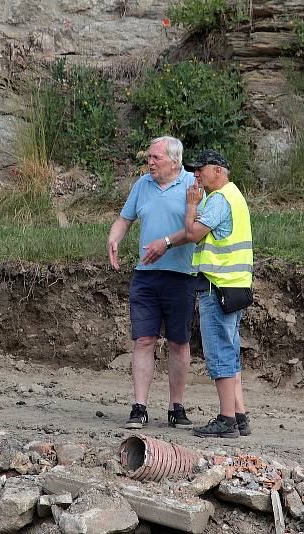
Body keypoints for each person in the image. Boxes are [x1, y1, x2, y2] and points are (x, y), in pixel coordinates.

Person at [107, 136, 199, 430]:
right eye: (149, 157)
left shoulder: (192, 186)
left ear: (174, 160)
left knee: (178, 342)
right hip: (145, 275)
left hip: (181, 276)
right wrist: (114, 238)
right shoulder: (142, 185)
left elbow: (197, 230)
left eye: (155, 158)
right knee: (144, 340)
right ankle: (139, 407)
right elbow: (125, 218)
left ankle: (176, 407)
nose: (150, 162)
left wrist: (167, 243)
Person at [183, 149, 253, 439]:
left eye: (201, 169)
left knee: (220, 353)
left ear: (218, 171)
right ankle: (239, 415)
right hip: (234, 286)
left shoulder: (220, 199)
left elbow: (192, 234)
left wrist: (191, 206)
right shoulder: (234, 195)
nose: (196, 174)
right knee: (231, 350)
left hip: (217, 287)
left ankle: (226, 420)